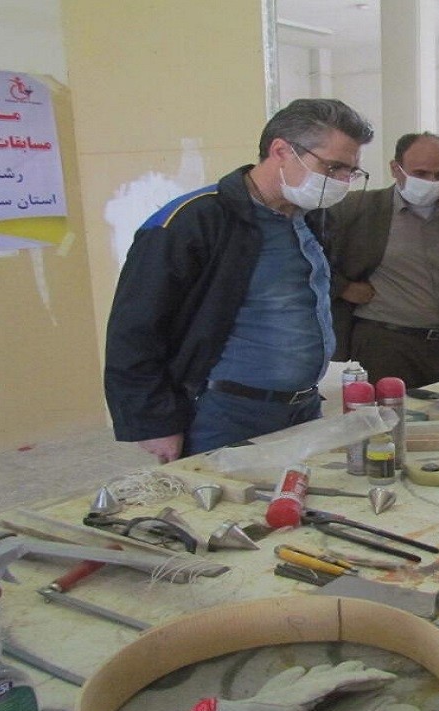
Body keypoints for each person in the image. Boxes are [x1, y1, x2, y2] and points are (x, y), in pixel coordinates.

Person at [104, 99, 374, 463]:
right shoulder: (193, 221)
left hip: (302, 405)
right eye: (333, 167)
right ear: (281, 151)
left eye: (351, 172)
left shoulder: (310, 218)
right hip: (224, 413)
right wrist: (154, 421)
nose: (341, 181)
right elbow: (134, 329)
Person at [325, 131, 439, 388]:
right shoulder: (359, 208)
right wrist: (343, 287)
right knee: (392, 412)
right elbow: (307, 257)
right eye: (420, 173)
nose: (431, 182)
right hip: (386, 342)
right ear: (395, 169)